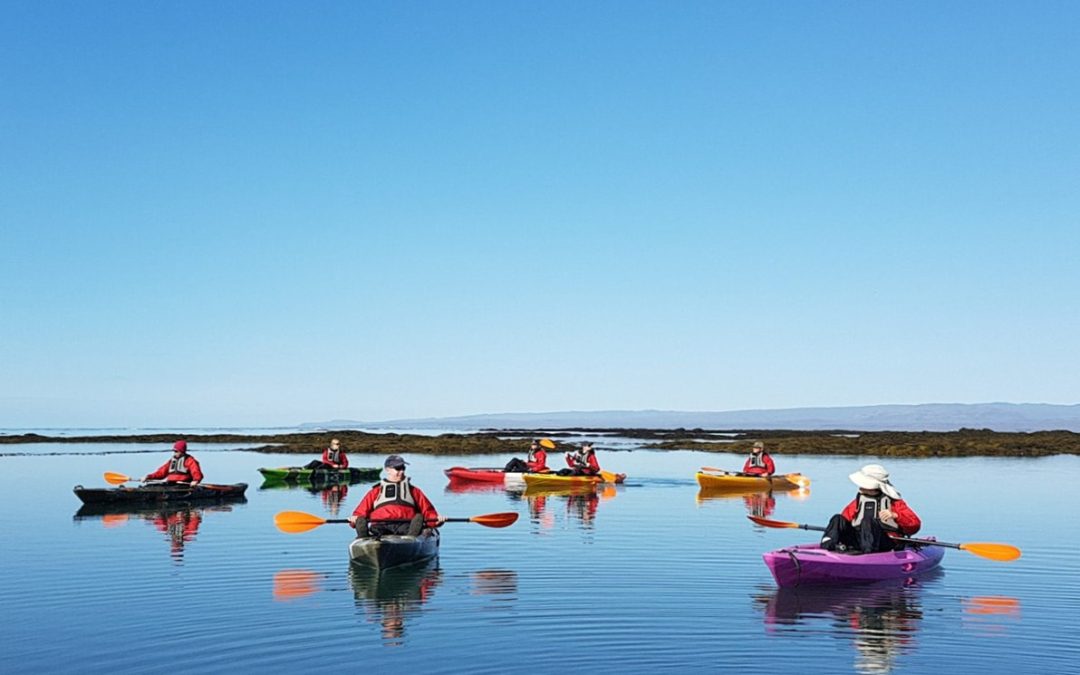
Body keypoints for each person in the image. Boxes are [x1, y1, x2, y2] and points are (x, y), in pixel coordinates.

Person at [820, 464, 921, 553]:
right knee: (837, 518)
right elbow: (844, 521)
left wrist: (895, 515)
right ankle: (827, 545)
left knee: (868, 520)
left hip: (884, 542)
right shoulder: (858, 501)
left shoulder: (894, 502)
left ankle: (869, 553)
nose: (859, 486)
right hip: (859, 540)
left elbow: (915, 525)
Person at [349, 455, 445, 537]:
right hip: (381, 524)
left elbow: (428, 511)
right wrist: (355, 519)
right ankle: (365, 537)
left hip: (405, 524)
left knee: (417, 520)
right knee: (373, 528)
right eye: (398, 468)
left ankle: (412, 537)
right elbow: (361, 511)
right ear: (388, 470)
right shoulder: (376, 491)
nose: (402, 471)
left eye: (403, 468)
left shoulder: (414, 491)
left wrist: (436, 520)